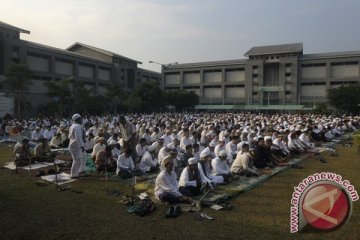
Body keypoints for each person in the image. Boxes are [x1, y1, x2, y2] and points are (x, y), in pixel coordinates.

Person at [69, 113, 85, 179]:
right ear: (77, 119)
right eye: (80, 118)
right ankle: (74, 175)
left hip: (74, 145)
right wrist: (82, 146)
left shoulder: (73, 126)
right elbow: (78, 137)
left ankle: (77, 172)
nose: (82, 120)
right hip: (76, 146)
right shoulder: (77, 126)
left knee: (79, 159)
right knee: (77, 160)